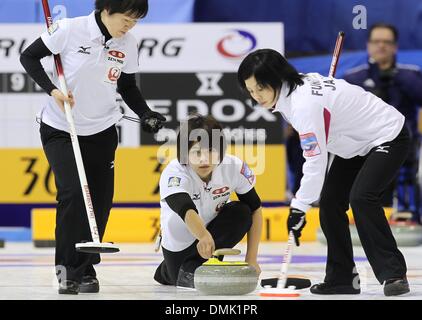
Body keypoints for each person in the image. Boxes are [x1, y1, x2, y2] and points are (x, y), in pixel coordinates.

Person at [20, 0, 166, 295]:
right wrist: (54, 91)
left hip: (101, 130)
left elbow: (127, 86)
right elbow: (29, 57)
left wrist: (146, 113)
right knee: (74, 193)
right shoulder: (70, 30)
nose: (130, 26)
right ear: (107, 10)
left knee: (99, 200)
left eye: (136, 21)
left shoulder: (128, 43)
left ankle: (85, 268)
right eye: (127, 19)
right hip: (61, 127)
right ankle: (66, 268)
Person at [237, 48, 410, 296]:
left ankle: (393, 274)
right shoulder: (293, 92)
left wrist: (299, 207)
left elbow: (315, 163)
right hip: (354, 144)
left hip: (387, 136)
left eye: (260, 88)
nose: (256, 97)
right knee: (330, 203)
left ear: (276, 79)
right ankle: (341, 278)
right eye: (251, 91)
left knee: (362, 197)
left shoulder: (303, 105)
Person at [154, 114, 263, 288]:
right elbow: (185, 209)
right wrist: (203, 235)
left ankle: (197, 265)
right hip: (180, 242)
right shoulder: (174, 172)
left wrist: (251, 258)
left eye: (211, 151)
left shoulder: (234, 167)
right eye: (196, 152)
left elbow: (255, 209)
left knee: (242, 211)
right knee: (179, 278)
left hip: (211, 238)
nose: (204, 159)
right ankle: (168, 270)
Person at [344, 23, 422, 223]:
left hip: (404, 146)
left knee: (410, 155)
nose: (381, 46)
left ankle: (408, 212)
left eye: (387, 42)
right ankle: (355, 213)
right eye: (376, 41)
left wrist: (398, 80)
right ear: (368, 45)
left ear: (395, 46)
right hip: (364, 146)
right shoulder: (354, 78)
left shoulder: (411, 75)